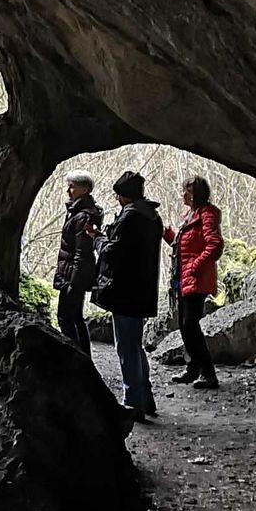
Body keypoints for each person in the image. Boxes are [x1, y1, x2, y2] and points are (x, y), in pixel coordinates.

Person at [92, 169, 163, 422]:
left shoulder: (131, 217)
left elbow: (114, 252)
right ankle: (146, 397)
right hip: (142, 290)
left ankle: (133, 403)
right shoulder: (152, 217)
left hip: (125, 291)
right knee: (135, 345)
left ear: (124, 195)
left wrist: (97, 239)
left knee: (126, 347)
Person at [164, 174, 225, 390]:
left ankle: (208, 373)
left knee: (190, 325)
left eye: (187, 191)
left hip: (196, 279)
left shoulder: (207, 214)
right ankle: (193, 368)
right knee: (184, 324)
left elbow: (215, 245)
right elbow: (182, 246)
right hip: (183, 278)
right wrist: (167, 234)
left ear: (196, 193)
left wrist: (194, 266)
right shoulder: (190, 215)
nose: (183, 194)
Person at [52, 170, 102, 355]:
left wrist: (73, 283)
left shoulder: (83, 216)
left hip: (73, 275)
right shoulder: (79, 212)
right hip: (72, 273)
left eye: (72, 186)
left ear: (85, 189)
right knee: (75, 317)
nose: (68, 190)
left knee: (66, 318)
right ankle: (83, 358)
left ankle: (76, 358)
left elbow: (82, 252)